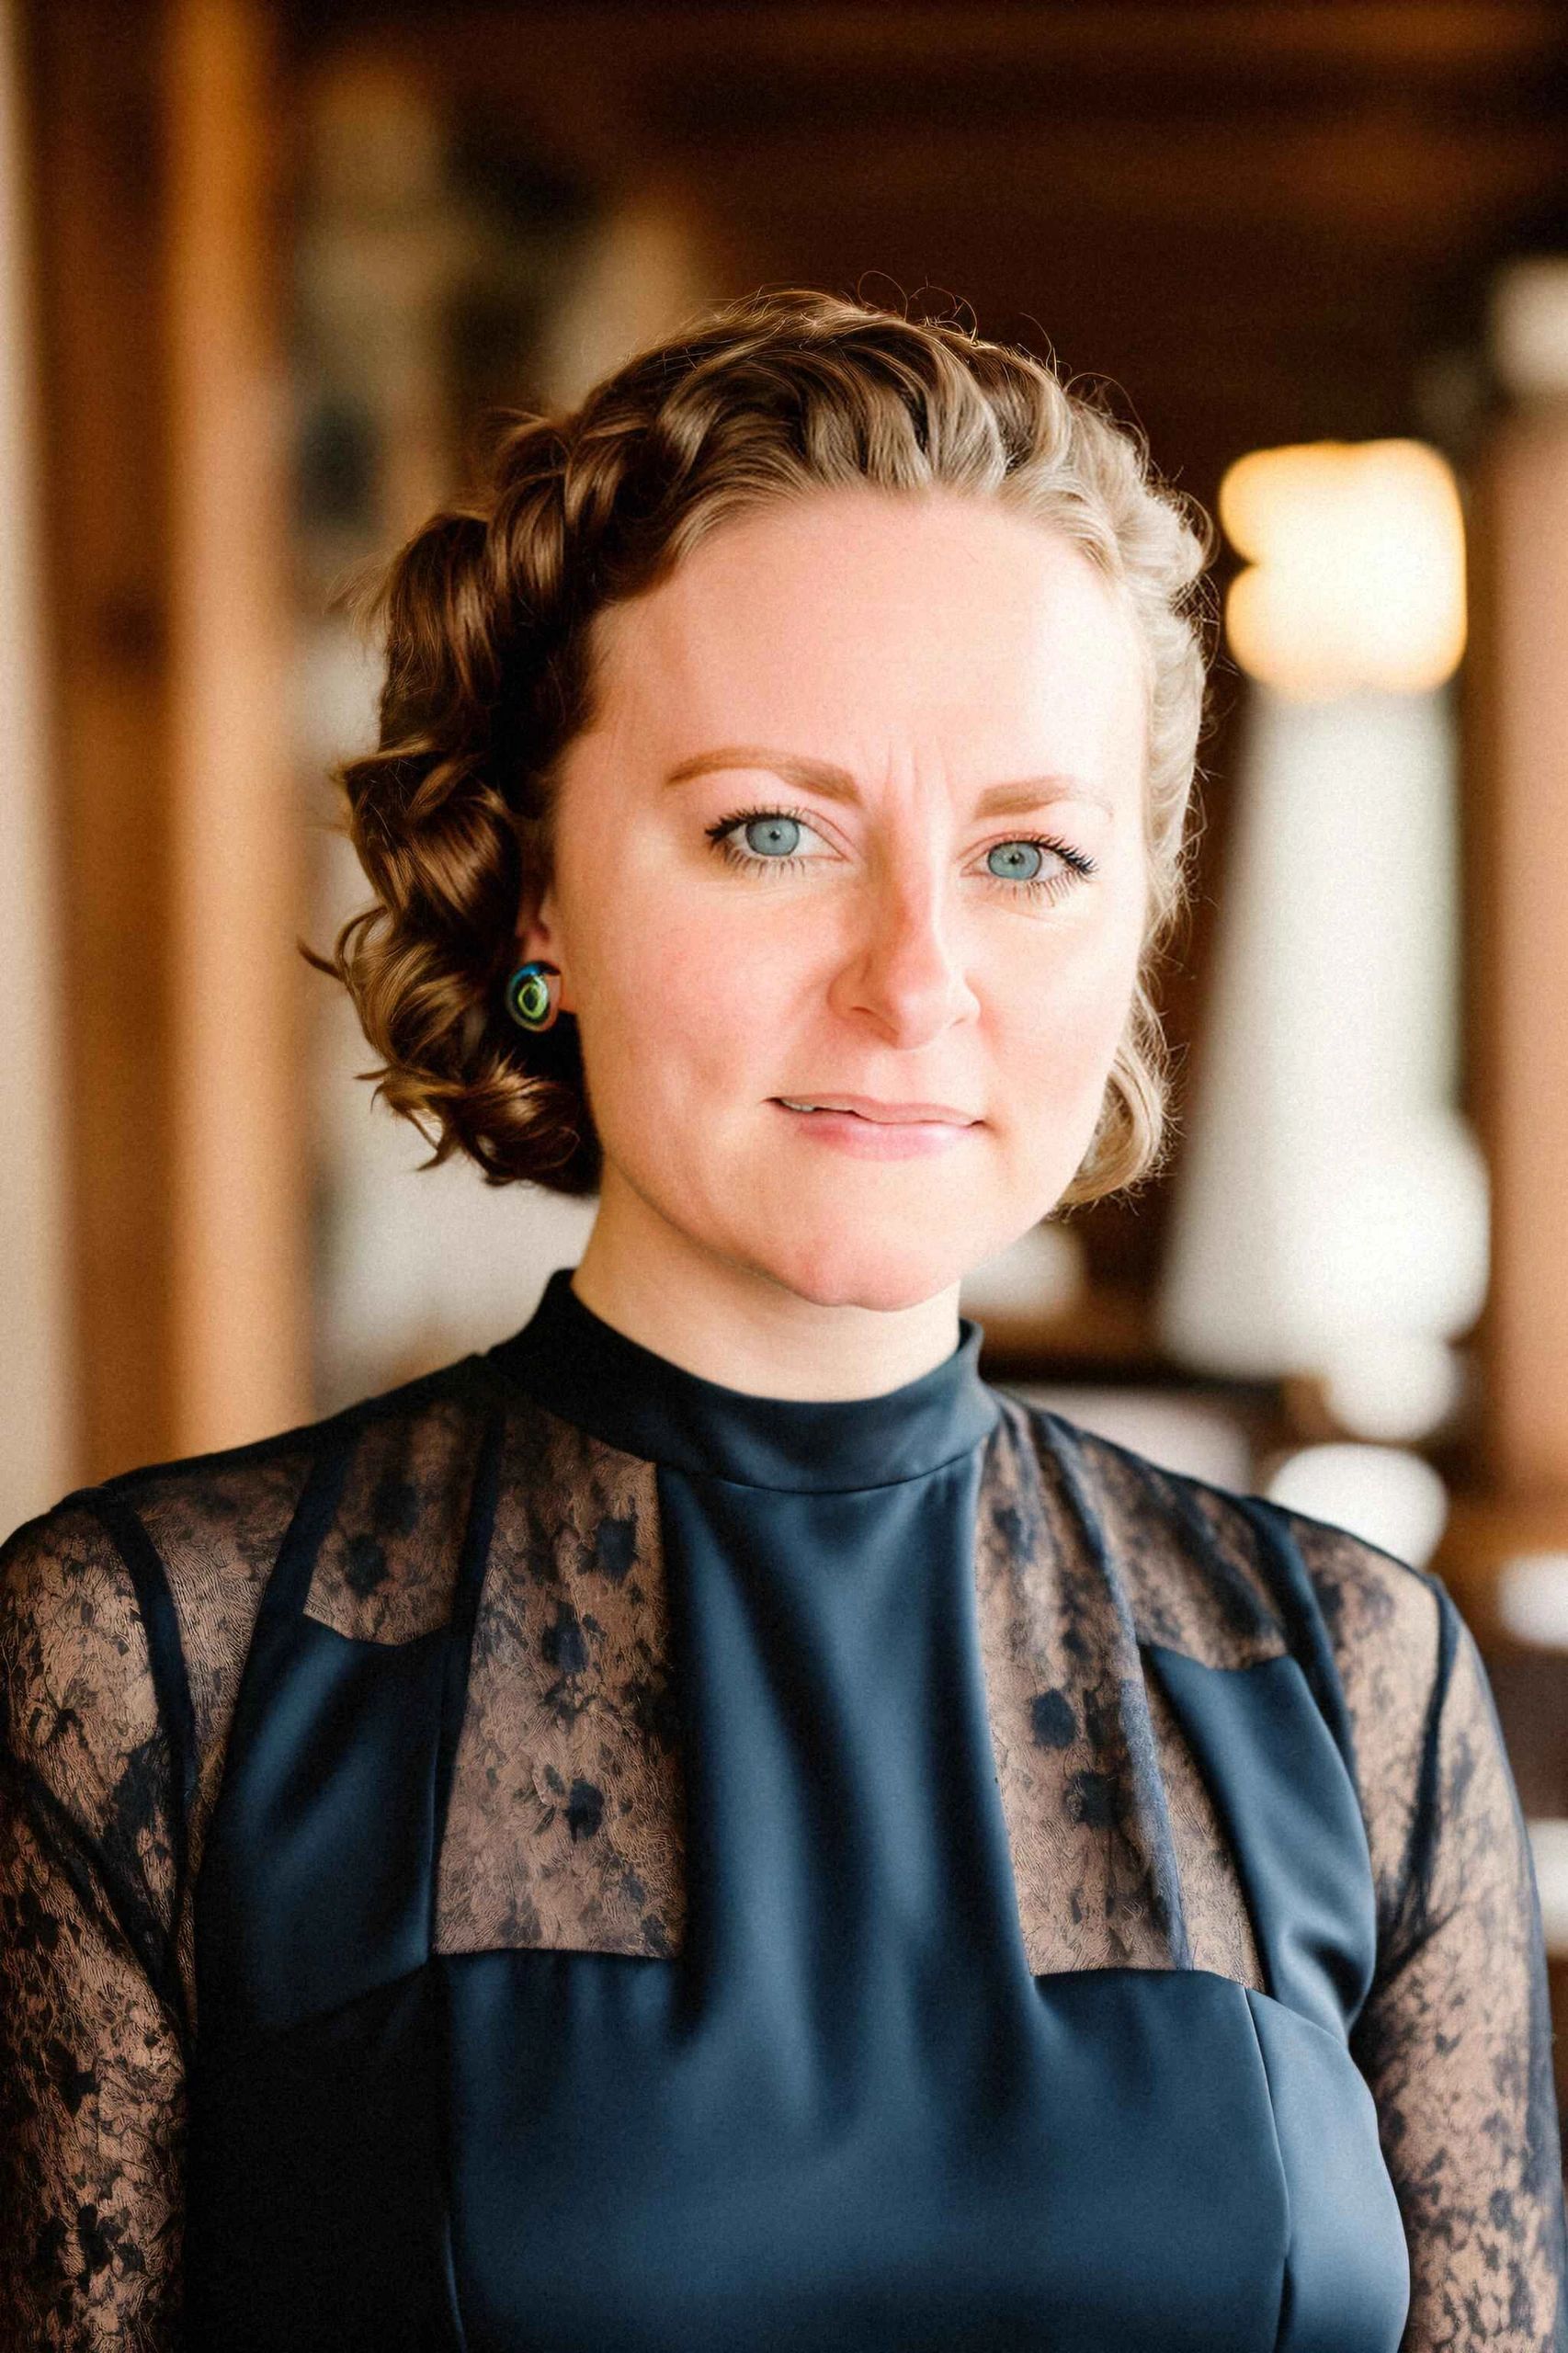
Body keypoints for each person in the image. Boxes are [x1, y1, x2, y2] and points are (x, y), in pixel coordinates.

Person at [1, 284, 1562, 2353]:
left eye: (1026, 854)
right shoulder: (147, 1663)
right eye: (770, 830)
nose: (915, 980)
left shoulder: (1351, 1683)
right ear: (536, 888)